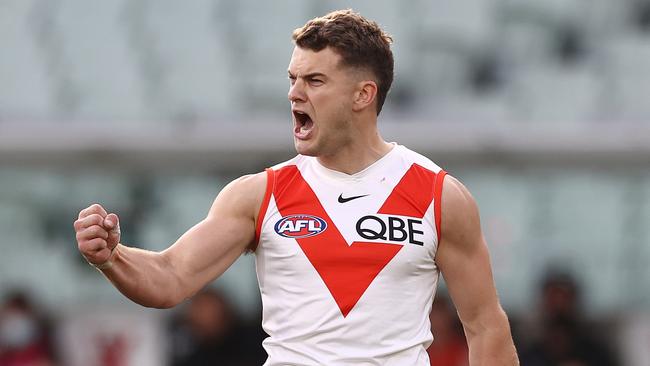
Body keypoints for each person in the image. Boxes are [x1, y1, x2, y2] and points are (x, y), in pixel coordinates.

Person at [73, 9, 519, 365]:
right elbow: (170, 278)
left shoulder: (440, 196)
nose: (293, 94)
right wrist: (113, 257)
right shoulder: (258, 194)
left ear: (363, 95)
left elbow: (486, 328)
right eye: (292, 79)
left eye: (314, 81)